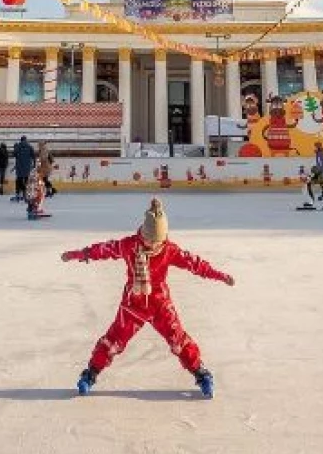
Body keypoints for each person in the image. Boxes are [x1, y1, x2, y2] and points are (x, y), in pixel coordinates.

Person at [62, 198, 234, 398]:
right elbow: (103, 250)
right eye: (149, 239)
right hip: (132, 306)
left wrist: (220, 275)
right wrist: (78, 255)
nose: (152, 244)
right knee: (113, 341)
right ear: (143, 233)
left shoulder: (170, 250)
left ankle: (200, 372)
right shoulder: (129, 246)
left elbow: (195, 264)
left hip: (160, 305)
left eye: (157, 241)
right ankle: (90, 374)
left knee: (178, 341)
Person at [12, 136, 35, 201]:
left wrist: (15, 148)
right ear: (26, 140)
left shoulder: (18, 146)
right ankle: (26, 194)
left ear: (21, 140)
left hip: (19, 166)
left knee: (18, 180)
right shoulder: (30, 146)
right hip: (27, 167)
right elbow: (33, 156)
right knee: (27, 180)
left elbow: (13, 154)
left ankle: (18, 194)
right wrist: (34, 165)